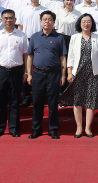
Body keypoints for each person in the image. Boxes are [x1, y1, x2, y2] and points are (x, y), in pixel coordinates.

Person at [26, 11, 67, 140]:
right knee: (37, 102)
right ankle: (36, 129)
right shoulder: (34, 37)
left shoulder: (59, 38)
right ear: (41, 22)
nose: (47, 21)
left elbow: (63, 58)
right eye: (45, 19)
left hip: (54, 74)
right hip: (38, 73)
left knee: (53, 103)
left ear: (54, 22)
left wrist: (63, 75)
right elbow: (30, 56)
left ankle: (53, 129)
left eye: (50, 19)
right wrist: (29, 74)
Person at [60, 14, 98, 138]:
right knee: (77, 100)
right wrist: (69, 72)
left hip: (92, 73)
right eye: (84, 21)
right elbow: (70, 56)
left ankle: (88, 128)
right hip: (77, 72)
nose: (86, 24)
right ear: (80, 23)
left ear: (92, 24)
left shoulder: (97, 38)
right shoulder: (75, 37)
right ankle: (79, 127)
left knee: (91, 100)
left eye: (88, 21)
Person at [0, 9, 28, 138]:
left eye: (11, 18)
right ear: (1, 20)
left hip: (16, 71)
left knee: (15, 101)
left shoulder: (22, 36)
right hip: (1, 71)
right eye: (6, 18)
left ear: (15, 20)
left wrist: (26, 72)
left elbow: (26, 56)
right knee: (0, 101)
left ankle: (13, 128)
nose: (8, 20)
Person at [17, 0, 48, 107]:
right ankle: (26, 96)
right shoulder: (23, 10)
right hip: (26, 40)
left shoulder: (45, 10)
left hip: (41, 41)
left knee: (41, 69)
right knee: (26, 69)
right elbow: (20, 27)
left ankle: (41, 95)